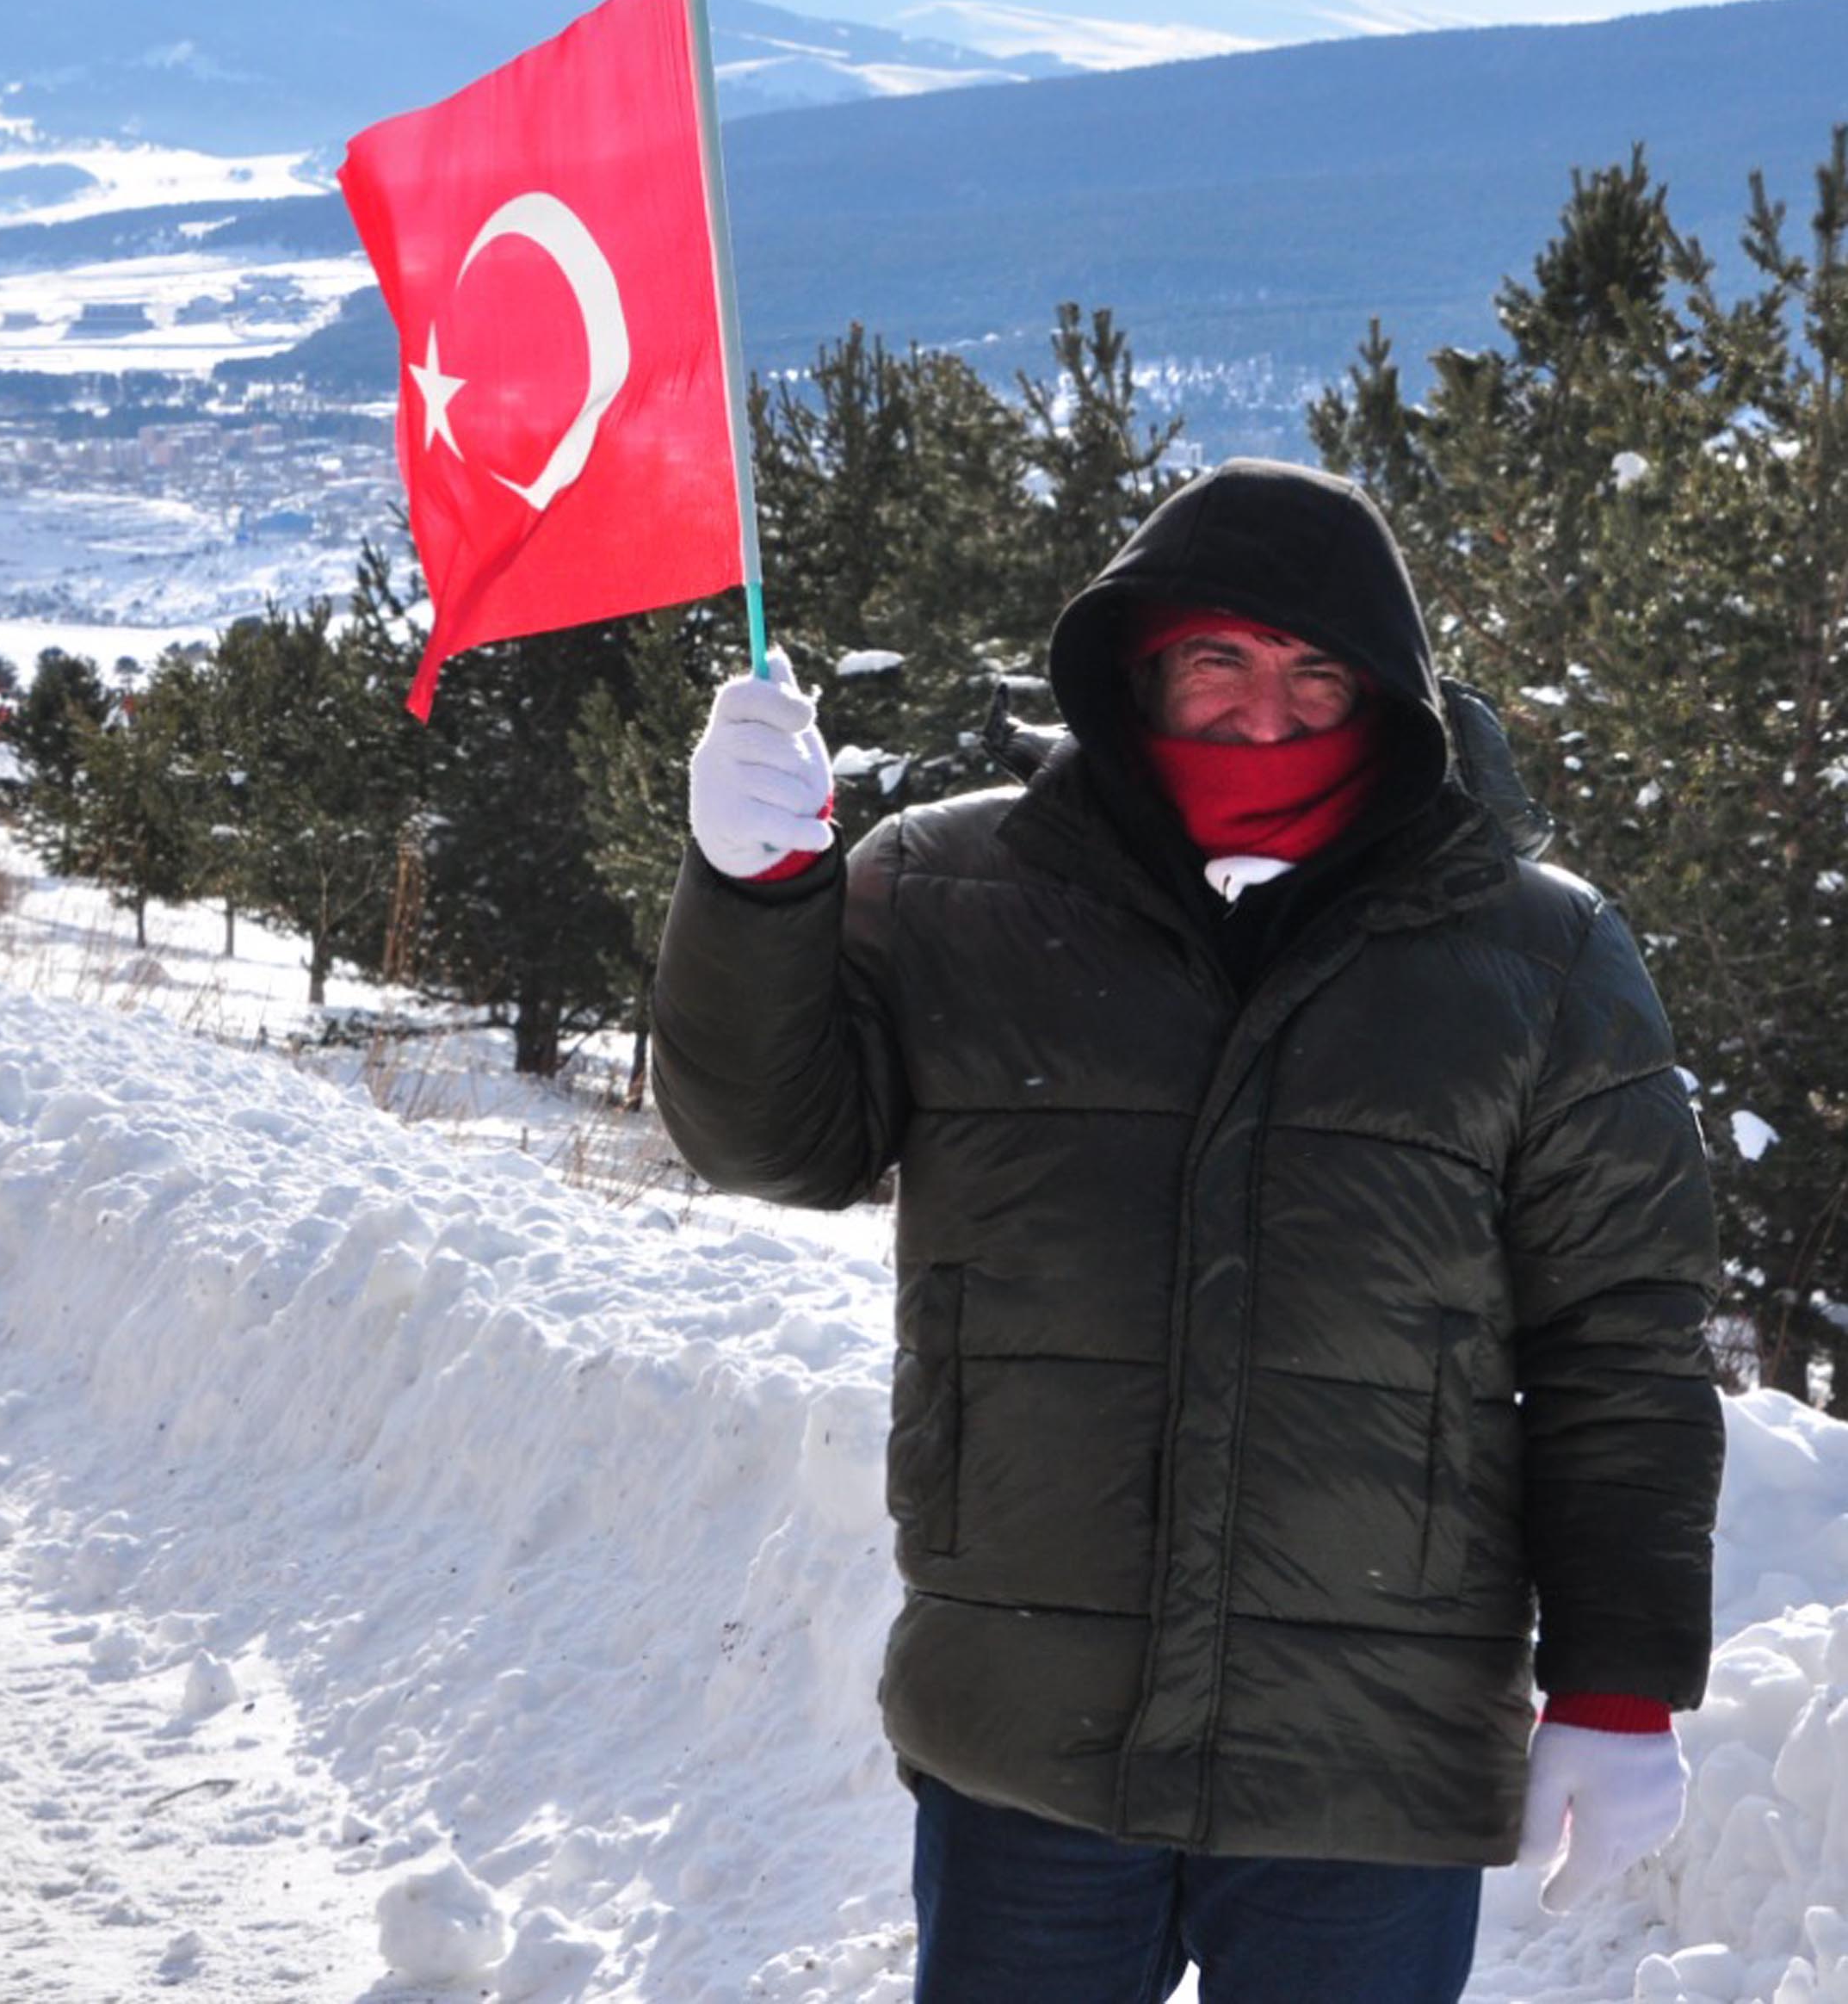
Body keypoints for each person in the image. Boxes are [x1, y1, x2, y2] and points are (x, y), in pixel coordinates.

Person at [653, 459, 1723, 2004]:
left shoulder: (1536, 955)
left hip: (1372, 1747)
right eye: (1220, 659)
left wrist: (1619, 1681)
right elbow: (770, 1140)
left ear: (1392, 695)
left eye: (1315, 671)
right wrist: (753, 896)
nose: (1267, 710)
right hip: (1032, 1716)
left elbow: (1621, 1335)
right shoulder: (957, 890)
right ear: (1139, 666)